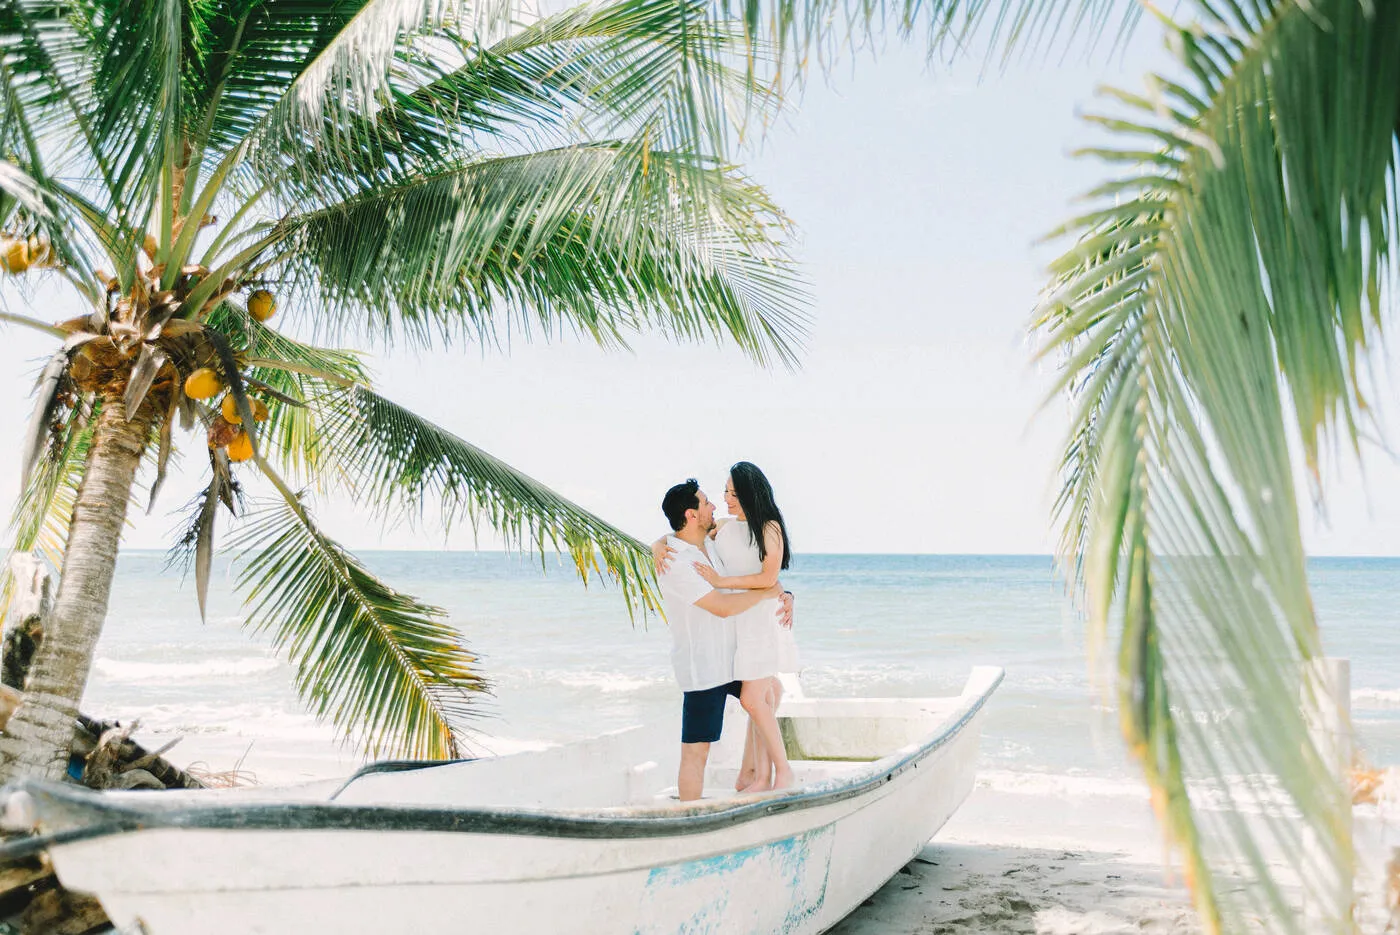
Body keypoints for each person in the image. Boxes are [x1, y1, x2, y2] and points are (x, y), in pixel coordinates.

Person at [655, 462, 799, 793]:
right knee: (696, 752)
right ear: (692, 515)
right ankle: (692, 818)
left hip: (734, 650)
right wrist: (768, 591)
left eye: (729, 493)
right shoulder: (679, 560)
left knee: (769, 692)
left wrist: (781, 592)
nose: (718, 503)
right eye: (708, 501)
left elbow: (756, 571)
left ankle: (756, 774)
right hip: (705, 666)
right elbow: (723, 605)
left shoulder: (711, 540)